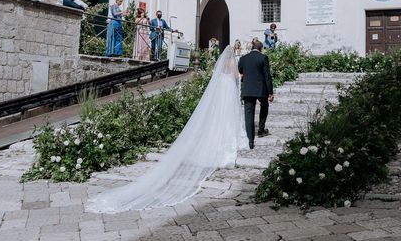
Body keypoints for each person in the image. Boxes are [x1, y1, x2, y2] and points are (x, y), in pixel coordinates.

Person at [86, 46, 244, 213]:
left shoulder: (220, 65)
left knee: (216, 119)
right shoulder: (233, 63)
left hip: (221, 92)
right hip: (228, 92)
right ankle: (225, 141)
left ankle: (214, 141)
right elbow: (235, 77)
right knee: (226, 117)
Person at [237, 40, 274, 149]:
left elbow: (240, 70)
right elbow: (267, 76)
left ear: (252, 47)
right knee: (264, 106)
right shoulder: (263, 58)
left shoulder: (243, 58)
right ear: (261, 48)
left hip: (248, 89)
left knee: (249, 114)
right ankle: (261, 129)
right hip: (260, 89)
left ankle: (250, 140)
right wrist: (270, 92)